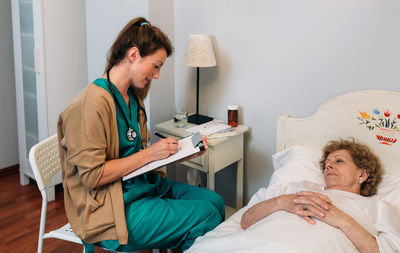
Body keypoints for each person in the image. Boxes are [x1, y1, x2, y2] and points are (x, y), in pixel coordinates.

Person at [57, 17, 224, 253]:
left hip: (144, 186)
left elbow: (137, 153)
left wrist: (179, 154)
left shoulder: (133, 97)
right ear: (133, 55)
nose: (156, 75)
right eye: (156, 66)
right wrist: (150, 154)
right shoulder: (90, 105)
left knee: (215, 203)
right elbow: (92, 177)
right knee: (205, 216)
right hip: (110, 208)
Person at [240, 139, 384, 253]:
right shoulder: (297, 187)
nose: (328, 166)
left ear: (362, 174)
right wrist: (280, 202)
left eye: (338, 161)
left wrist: (340, 219)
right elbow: (246, 221)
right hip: (255, 244)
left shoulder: (377, 207)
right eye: (326, 164)